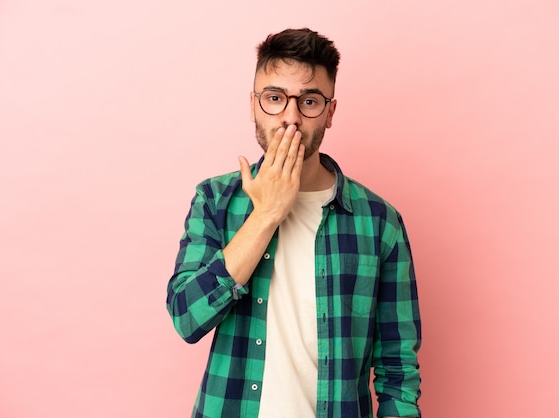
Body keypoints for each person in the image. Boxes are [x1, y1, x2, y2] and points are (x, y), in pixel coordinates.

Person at [166, 28, 421, 418]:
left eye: (309, 101)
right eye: (274, 98)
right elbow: (187, 318)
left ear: (330, 112)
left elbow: (397, 371)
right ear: (253, 105)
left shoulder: (379, 222)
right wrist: (266, 215)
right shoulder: (215, 200)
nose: (290, 117)